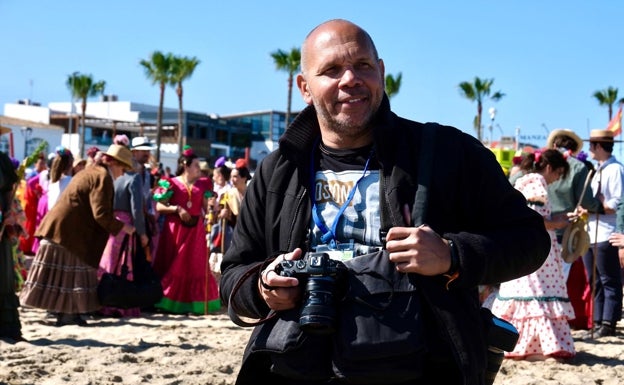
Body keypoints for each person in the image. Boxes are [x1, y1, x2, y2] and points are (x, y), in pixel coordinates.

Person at [218, 19, 550, 385]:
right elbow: (234, 275)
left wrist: (451, 255)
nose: (350, 79)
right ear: (305, 87)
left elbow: (530, 239)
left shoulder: (447, 154)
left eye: (362, 65)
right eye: (330, 70)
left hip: (417, 368)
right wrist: (263, 288)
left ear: (381, 71)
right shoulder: (277, 171)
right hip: (295, 367)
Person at [19, 145, 136, 327]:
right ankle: (67, 315)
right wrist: (123, 227)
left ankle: (66, 314)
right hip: (67, 234)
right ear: (113, 163)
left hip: (62, 231)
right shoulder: (102, 177)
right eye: (123, 169)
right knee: (70, 277)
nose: (123, 174)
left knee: (65, 277)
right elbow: (101, 214)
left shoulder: (90, 172)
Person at [491, 149, 576, 360]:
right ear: (549, 168)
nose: (557, 179)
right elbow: (535, 217)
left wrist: (560, 217)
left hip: (524, 245)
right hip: (537, 249)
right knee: (536, 292)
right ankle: (537, 347)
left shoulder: (526, 179)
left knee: (524, 291)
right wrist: (559, 223)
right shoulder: (537, 181)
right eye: (558, 174)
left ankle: (523, 343)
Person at [151, 145, 220, 314]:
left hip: (195, 231)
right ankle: (169, 303)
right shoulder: (171, 183)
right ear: (186, 165)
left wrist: (214, 207)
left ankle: (193, 304)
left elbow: (206, 208)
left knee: (194, 265)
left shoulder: (203, 184)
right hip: (175, 230)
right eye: (196, 165)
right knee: (174, 264)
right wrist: (177, 209)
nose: (199, 168)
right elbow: (159, 206)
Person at [545, 128, 602, 330]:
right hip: (565, 232)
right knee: (559, 282)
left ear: (555, 145)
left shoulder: (543, 164)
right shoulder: (578, 167)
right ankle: (554, 327)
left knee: (538, 283)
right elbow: (587, 201)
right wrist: (599, 205)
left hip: (540, 229)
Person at [98, 141, 150, 318]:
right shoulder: (134, 178)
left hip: (111, 224)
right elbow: (136, 209)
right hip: (126, 226)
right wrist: (142, 233)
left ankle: (104, 301)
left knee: (108, 264)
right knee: (124, 266)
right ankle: (120, 304)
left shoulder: (113, 178)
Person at [581, 129, 624, 337]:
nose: (589, 149)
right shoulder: (597, 170)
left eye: (592, 145)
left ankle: (608, 322)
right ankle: (597, 320)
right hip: (592, 230)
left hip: (607, 231)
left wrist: (595, 205)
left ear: (598, 146)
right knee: (594, 280)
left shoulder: (615, 169)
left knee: (609, 279)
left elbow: (616, 203)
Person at [0, 151, 25, 343]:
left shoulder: (2, 159)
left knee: (3, 275)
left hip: (1, 221)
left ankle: (6, 328)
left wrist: (8, 213)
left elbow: (8, 188)